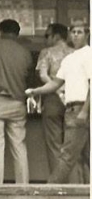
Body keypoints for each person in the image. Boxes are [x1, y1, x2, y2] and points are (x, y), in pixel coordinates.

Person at [29, 21, 92, 184]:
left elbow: (44, 75)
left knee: (65, 153)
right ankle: (81, 188)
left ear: (87, 34)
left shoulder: (88, 54)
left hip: (78, 106)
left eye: (79, 32)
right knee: (81, 154)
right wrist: (36, 91)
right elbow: (56, 82)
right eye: (73, 32)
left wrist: (84, 110)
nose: (76, 35)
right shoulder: (69, 58)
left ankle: (52, 189)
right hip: (70, 107)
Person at [0, 19, 34, 184]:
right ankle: (23, 185)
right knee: (19, 146)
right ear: (17, 33)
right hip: (17, 102)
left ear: (0, 31)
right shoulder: (25, 52)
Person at [34, 23, 73, 179]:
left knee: (54, 145)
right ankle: (75, 183)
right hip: (72, 100)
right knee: (71, 146)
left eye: (47, 36)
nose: (45, 40)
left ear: (56, 36)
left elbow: (43, 75)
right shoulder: (75, 53)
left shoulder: (47, 52)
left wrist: (55, 90)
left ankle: (58, 183)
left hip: (52, 100)